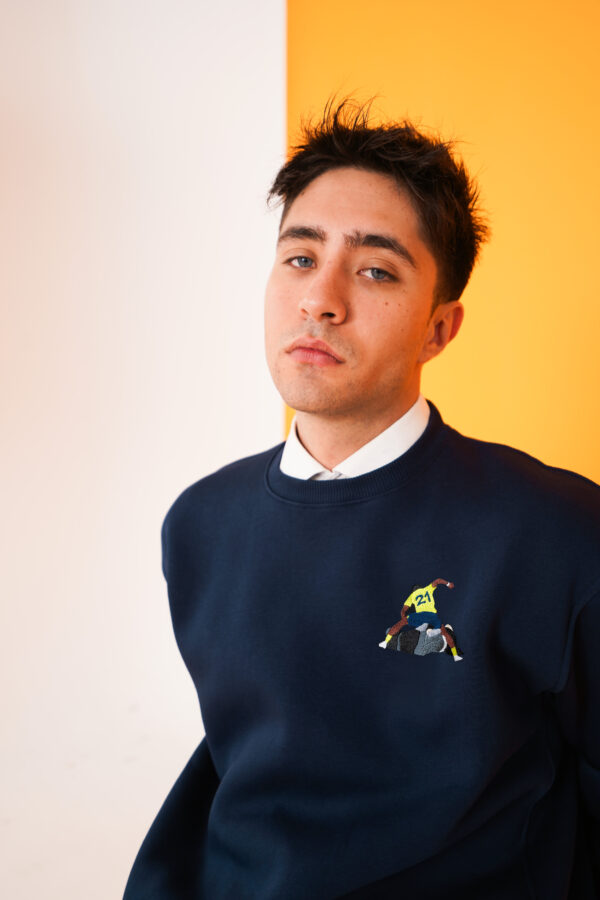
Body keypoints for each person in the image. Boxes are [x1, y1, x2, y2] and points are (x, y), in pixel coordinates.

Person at [123, 99, 600, 899]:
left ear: (440, 329)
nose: (321, 299)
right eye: (299, 257)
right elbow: (238, 770)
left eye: (376, 270)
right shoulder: (202, 524)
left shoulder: (558, 533)